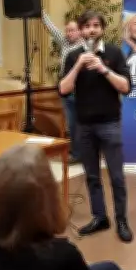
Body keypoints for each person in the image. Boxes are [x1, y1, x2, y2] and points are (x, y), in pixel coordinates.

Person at [59, 10, 134, 242]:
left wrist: (103, 69)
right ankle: (100, 217)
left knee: (116, 177)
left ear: (102, 29)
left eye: (95, 26)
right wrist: (78, 65)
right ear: (81, 30)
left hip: (110, 124)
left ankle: (121, 220)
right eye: (87, 26)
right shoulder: (73, 56)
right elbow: (63, 89)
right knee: (92, 176)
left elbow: (126, 87)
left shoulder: (114, 52)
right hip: (84, 127)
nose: (91, 30)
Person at [42, 10, 84, 162]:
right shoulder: (64, 43)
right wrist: (41, 12)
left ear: (79, 31)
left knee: (81, 124)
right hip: (66, 91)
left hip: (81, 91)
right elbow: (52, 28)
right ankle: (75, 153)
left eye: (72, 30)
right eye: (67, 30)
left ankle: (82, 154)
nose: (69, 33)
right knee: (71, 124)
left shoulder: (85, 46)